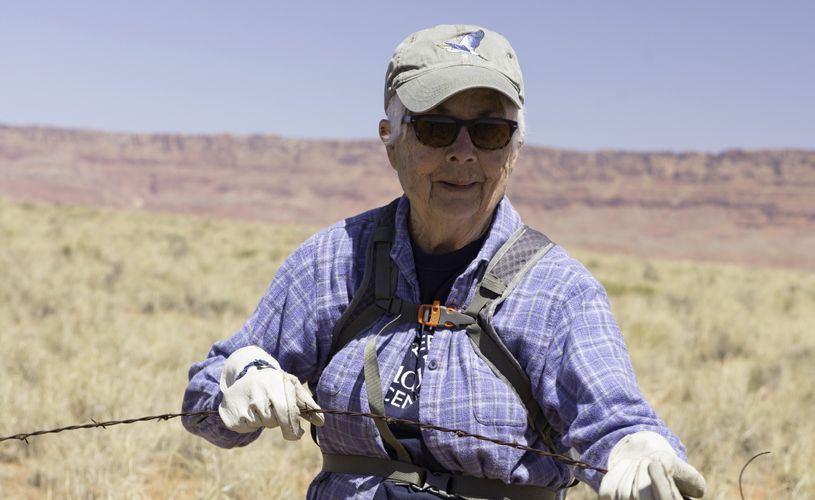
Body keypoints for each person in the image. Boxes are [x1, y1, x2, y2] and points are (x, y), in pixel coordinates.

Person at [182, 24, 706, 500]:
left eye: (489, 131)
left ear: (516, 147)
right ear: (390, 140)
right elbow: (203, 395)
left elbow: (614, 417)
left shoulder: (558, 292)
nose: (463, 152)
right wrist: (239, 382)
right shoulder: (331, 263)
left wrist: (640, 450)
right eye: (435, 128)